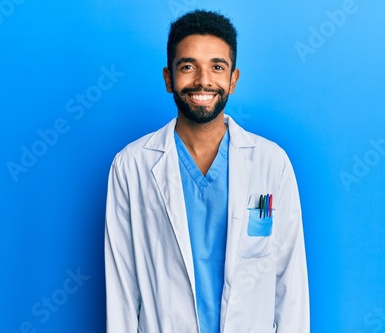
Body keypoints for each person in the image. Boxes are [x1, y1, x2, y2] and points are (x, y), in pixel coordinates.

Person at [105, 9, 309, 333]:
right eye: (188, 66)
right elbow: (121, 288)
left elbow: (290, 283)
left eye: (217, 67)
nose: (203, 81)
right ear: (169, 78)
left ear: (233, 79)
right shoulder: (131, 166)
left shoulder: (272, 164)